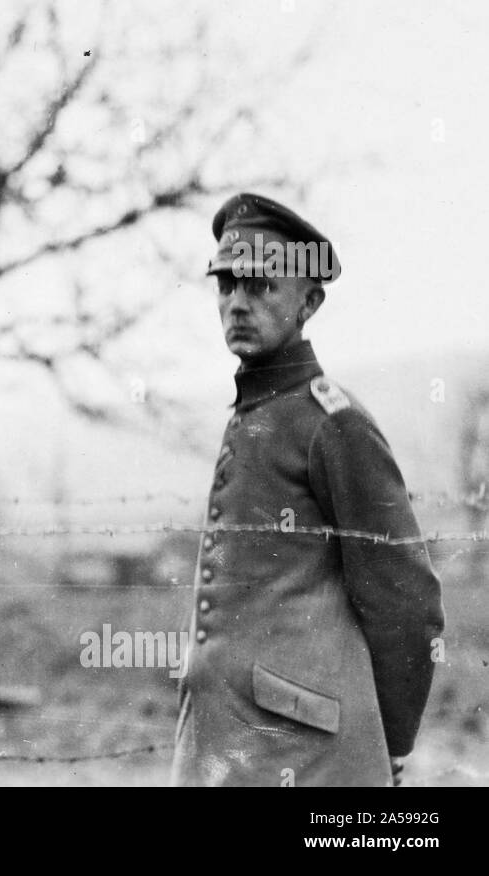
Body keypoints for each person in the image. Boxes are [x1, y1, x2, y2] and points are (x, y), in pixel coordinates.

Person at [170, 193, 445, 787]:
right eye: (226, 287)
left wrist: (387, 747)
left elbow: (406, 600)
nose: (238, 304)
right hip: (227, 747)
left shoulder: (332, 424)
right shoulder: (253, 412)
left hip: (306, 761)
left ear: (309, 301)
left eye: (262, 285)